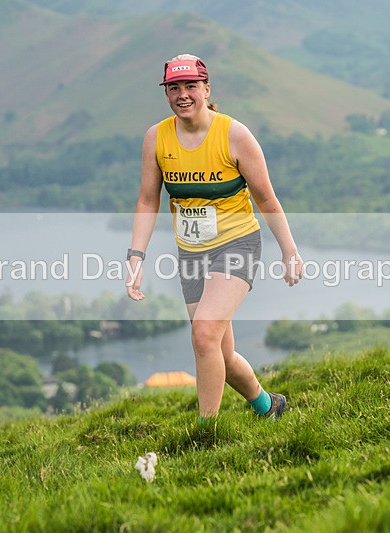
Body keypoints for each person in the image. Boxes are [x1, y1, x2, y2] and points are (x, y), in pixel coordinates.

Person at [125, 53, 303, 425]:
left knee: (204, 333)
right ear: (167, 94)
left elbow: (266, 198)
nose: (183, 94)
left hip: (237, 244)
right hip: (192, 252)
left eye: (191, 86)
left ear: (207, 89)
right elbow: (147, 198)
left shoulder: (234, 135)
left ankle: (207, 432)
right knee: (219, 354)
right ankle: (268, 406)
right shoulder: (156, 138)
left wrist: (290, 252)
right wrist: (136, 256)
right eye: (174, 88)